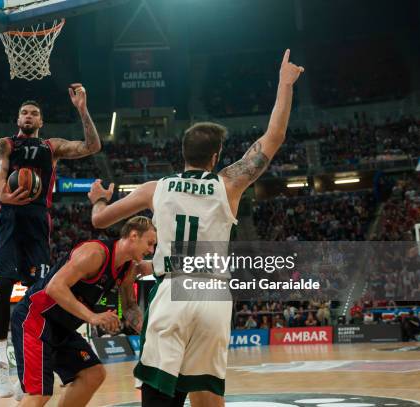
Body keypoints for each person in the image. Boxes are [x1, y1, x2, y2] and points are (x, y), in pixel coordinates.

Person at [87, 50, 304, 407]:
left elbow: (100, 221)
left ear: (182, 153)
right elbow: (274, 137)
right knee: (206, 393)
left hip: (174, 291)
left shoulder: (156, 188)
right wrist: (284, 84)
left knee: (158, 393)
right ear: (216, 156)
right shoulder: (228, 184)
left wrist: (98, 197)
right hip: (214, 297)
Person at [0, 84, 102, 397]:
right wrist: (5, 197)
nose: (28, 116)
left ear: (41, 122)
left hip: (38, 220)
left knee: (40, 292)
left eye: (34, 113)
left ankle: (32, 359)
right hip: (9, 217)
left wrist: (82, 110)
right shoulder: (5, 144)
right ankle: (0, 361)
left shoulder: (52, 147)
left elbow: (92, 146)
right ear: (18, 119)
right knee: (4, 284)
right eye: (24, 112)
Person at [11, 216, 155, 407]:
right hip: (36, 318)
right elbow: (54, 287)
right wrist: (93, 317)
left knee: (93, 373)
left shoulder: (127, 268)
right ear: (134, 235)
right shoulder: (95, 253)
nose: (151, 250)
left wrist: (150, 334)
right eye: (150, 243)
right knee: (39, 393)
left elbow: (129, 308)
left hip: (62, 328)